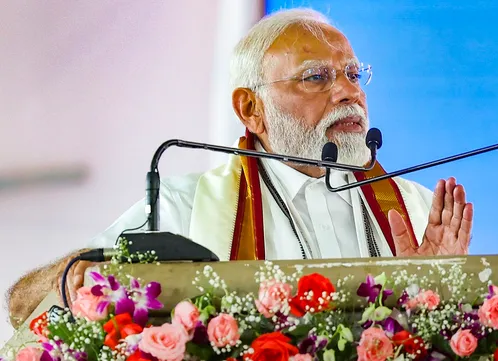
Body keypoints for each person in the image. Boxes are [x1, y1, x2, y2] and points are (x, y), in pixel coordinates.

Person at [5, 7, 473, 328]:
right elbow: (23, 306)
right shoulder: (183, 208)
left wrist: (445, 289)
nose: (349, 92)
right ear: (251, 108)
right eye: (317, 77)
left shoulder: (411, 207)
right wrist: (78, 275)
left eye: (353, 74)